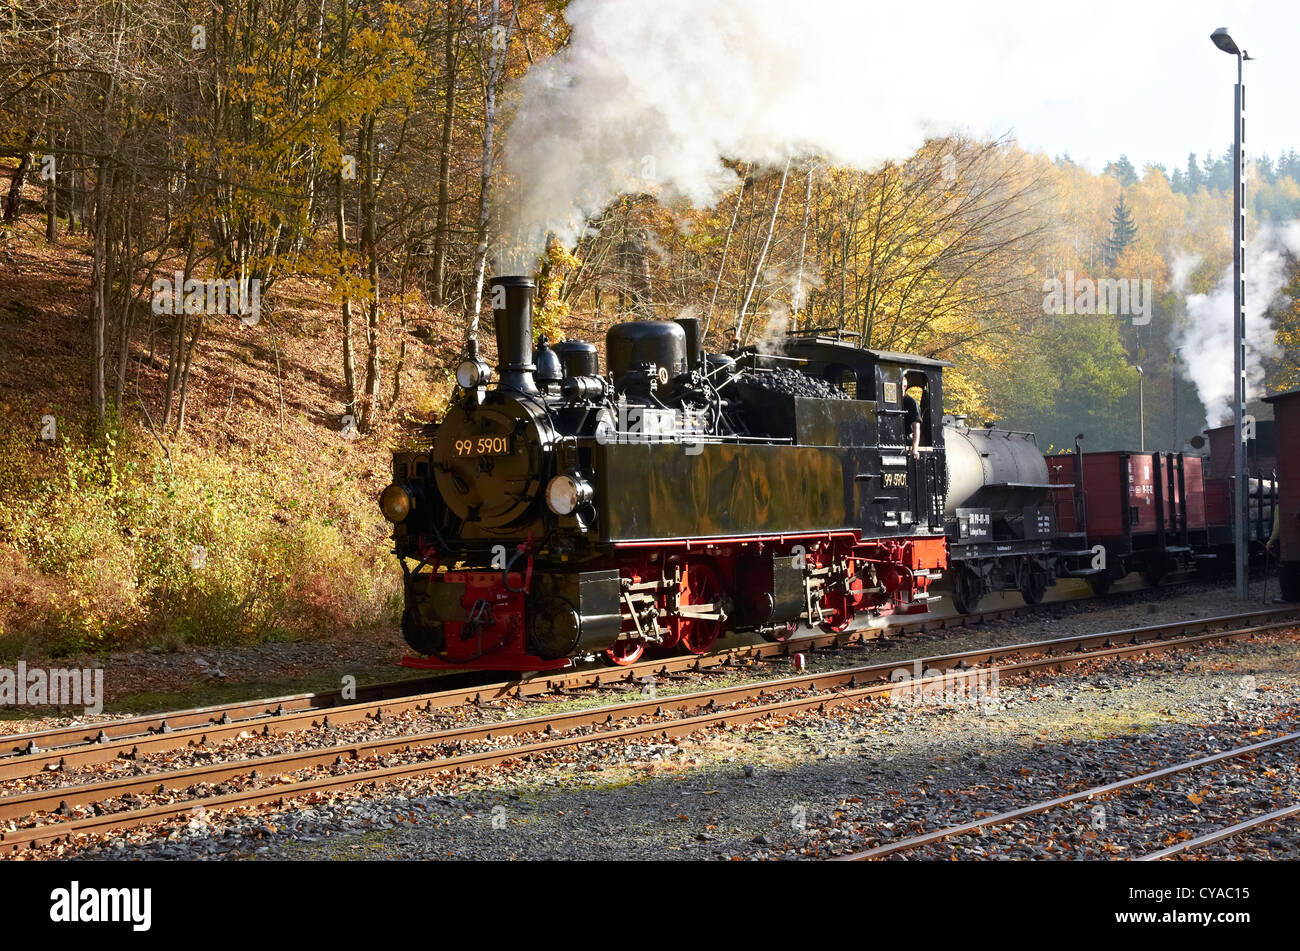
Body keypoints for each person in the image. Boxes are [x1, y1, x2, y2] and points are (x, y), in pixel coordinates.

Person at [902, 371, 925, 459]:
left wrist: (914, 449)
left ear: (904, 386)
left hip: (908, 439)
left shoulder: (912, 403)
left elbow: (916, 427)